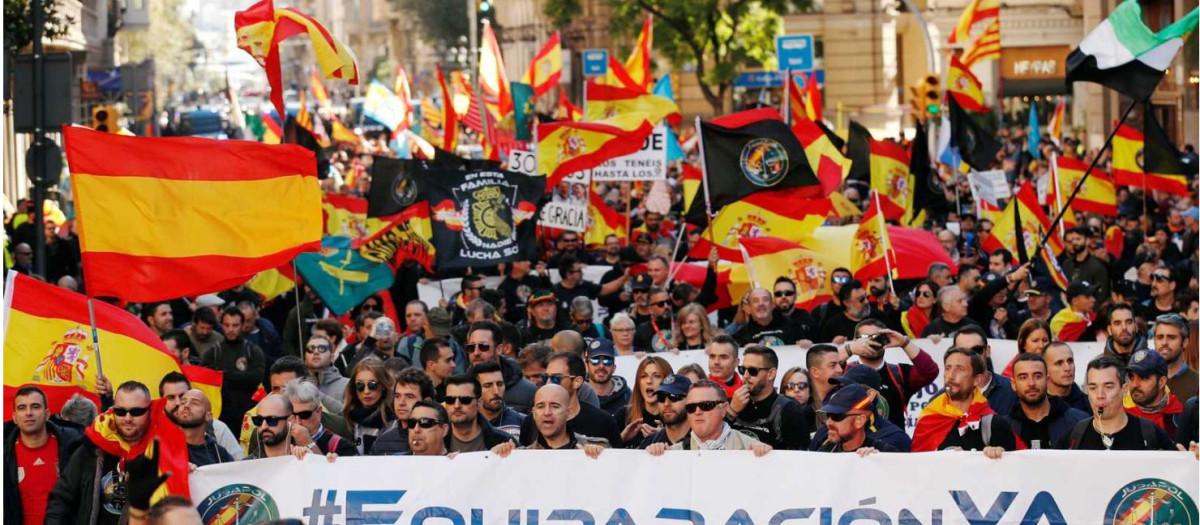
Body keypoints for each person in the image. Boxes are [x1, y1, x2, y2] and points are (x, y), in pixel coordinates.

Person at [46, 381, 161, 524]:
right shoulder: (91, 449)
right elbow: (61, 500)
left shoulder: (162, 452)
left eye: (136, 412)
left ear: (149, 410)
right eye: (120, 411)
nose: (128, 418)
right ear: (113, 411)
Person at [911, 347, 1018, 453]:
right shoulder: (929, 421)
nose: (951, 376)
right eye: (948, 368)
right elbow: (916, 466)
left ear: (977, 380)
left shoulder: (994, 425)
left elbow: (1009, 467)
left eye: (960, 369)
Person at [5, 385, 84, 525]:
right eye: (22, 408)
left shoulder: (72, 446)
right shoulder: (5, 453)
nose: (29, 413)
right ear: (14, 417)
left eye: (35, 407)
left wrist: (106, 399)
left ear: (47, 414)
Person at [1062, 356, 1177, 450]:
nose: (1100, 395)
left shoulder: (1149, 433)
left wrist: (1191, 457)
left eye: (1108, 387)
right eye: (1093, 388)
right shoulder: (1075, 436)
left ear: (1124, 389)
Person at [842, 321, 940, 428]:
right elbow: (822, 369)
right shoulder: (843, 371)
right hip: (853, 443)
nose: (871, 342)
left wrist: (904, 342)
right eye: (865, 337)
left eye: (876, 337)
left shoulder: (899, 372)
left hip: (893, 442)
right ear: (856, 341)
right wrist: (849, 349)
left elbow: (930, 371)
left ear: (885, 340)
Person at [518, 352, 621, 447]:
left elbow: (616, 461)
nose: (548, 383)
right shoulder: (532, 421)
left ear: (577, 381)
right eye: (545, 377)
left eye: (556, 378)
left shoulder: (602, 422)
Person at [645, 380, 771, 455]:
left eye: (706, 405)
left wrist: (765, 456)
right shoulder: (673, 453)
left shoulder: (749, 447)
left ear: (724, 409)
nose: (698, 411)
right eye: (691, 407)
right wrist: (654, 457)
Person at [727, 345, 809, 450]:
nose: (746, 376)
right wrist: (731, 411)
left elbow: (799, 457)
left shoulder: (788, 410)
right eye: (742, 370)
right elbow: (712, 441)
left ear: (771, 374)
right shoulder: (733, 403)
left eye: (753, 371)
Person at [201, 306, 266, 434]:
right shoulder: (212, 353)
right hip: (222, 414)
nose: (230, 329)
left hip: (248, 413)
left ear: (242, 325)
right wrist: (240, 376)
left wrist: (224, 375)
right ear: (221, 325)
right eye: (227, 325)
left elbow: (256, 377)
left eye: (235, 325)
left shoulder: (253, 351)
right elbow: (207, 381)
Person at [491, 385, 606, 455]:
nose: (547, 412)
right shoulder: (522, 456)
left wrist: (600, 457)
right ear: (534, 413)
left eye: (555, 406)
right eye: (541, 406)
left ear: (568, 412)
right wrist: (498, 455)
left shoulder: (593, 446)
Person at [1007, 353, 1088, 449]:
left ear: (1047, 380)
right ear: (1013, 384)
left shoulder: (1079, 422)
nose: (1031, 383)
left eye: (1038, 376)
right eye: (1023, 377)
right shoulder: (1003, 427)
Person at [466, 321, 537, 413]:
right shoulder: (460, 389)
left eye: (483, 346)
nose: (476, 353)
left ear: (499, 349)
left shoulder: (528, 392)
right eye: (471, 347)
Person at [282, 378, 357, 457]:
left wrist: (307, 442)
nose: (298, 422)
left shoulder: (341, 445)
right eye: (292, 415)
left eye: (304, 415)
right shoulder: (280, 441)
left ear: (318, 412)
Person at [442, 374, 517, 452]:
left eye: (465, 400)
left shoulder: (503, 440)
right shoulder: (437, 439)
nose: (456, 406)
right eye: (450, 400)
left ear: (479, 403)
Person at [370, 368, 435, 455]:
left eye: (409, 396)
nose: (401, 403)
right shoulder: (381, 443)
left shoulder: (442, 437)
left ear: (427, 401)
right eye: (397, 396)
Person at [815, 384, 897, 454]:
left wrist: (878, 461)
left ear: (859, 421)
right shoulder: (825, 452)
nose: (829, 422)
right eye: (827, 415)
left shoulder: (884, 452)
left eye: (837, 416)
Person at [1123, 349, 1184, 440]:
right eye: (1131, 377)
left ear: (1162, 382)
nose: (1135, 384)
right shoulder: (1120, 415)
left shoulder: (1180, 417)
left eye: (1143, 377)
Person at [615, 356, 672, 447]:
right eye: (643, 376)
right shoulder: (623, 415)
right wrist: (621, 439)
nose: (649, 381)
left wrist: (665, 436)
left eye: (656, 376)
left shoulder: (675, 416)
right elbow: (606, 453)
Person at [343, 358, 394, 454]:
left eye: (372, 385)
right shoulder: (346, 418)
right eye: (360, 385)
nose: (366, 391)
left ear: (383, 385)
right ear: (353, 387)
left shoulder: (395, 416)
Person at [170, 389, 232, 467]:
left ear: (208, 416)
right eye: (183, 403)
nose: (186, 406)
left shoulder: (220, 454)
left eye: (195, 403)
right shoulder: (162, 446)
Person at [471, 360, 526, 438]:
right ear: (475, 390)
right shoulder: (467, 424)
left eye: (500, 384)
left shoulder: (521, 421)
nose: (496, 391)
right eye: (488, 385)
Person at [637, 374, 692, 448]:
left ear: (689, 400)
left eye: (673, 397)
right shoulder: (649, 443)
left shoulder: (702, 440)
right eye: (661, 397)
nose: (666, 404)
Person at [1154, 313, 1199, 402]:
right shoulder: (1144, 379)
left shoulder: (1197, 383)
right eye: (1160, 337)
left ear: (1185, 342)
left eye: (1171, 337)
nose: (1164, 342)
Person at [1061, 226, 1110, 302]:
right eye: (1073, 239)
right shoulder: (1066, 264)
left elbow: (1101, 295)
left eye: (1078, 239)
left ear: (1087, 241)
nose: (1074, 243)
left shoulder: (1097, 266)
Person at [802, 343, 845, 429]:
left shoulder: (847, 399)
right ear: (815, 372)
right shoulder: (801, 407)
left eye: (840, 364)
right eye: (833, 365)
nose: (840, 370)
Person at [304, 334, 349, 412]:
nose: (316, 352)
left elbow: (349, 416)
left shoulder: (348, 384)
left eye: (322, 348)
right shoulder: (298, 386)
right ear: (305, 359)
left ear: (332, 357)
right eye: (311, 349)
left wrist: (317, 395)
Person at [499, 259, 551, 325]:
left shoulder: (535, 280)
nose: (529, 263)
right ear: (515, 263)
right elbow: (507, 312)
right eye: (525, 261)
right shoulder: (504, 286)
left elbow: (550, 295)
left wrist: (543, 277)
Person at [586, 339, 630, 418]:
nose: (601, 366)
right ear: (587, 366)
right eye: (595, 360)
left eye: (607, 361)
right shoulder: (578, 396)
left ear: (614, 367)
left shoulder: (628, 397)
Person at [1042, 342, 1090, 413]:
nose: (1067, 368)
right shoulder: (1036, 405)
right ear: (1045, 369)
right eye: (1059, 363)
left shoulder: (1090, 404)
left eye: (1070, 361)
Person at [246, 394, 294, 459]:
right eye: (259, 420)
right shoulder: (247, 466)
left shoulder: (304, 459)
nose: (264, 426)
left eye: (271, 420)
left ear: (290, 421)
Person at [634, 287, 675, 352]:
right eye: (660, 304)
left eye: (668, 302)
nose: (666, 306)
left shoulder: (682, 323)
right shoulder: (641, 331)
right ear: (650, 309)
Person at [706, 335, 743, 399]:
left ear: (736, 362)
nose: (716, 362)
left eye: (723, 357)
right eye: (712, 356)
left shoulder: (748, 391)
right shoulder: (700, 392)